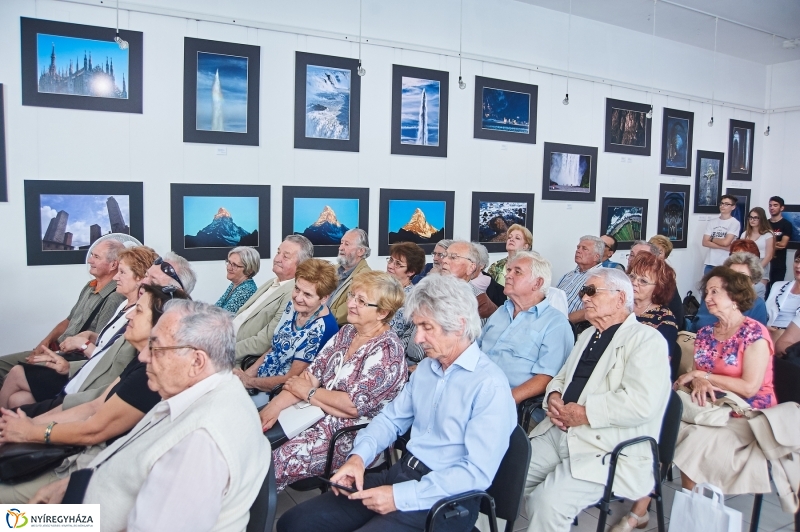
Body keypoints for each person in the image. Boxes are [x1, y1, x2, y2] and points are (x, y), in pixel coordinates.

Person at [276, 274, 517, 532]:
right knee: (295, 523)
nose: (417, 339)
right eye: (417, 327)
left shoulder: (489, 386)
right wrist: (358, 457)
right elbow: (390, 420)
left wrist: (399, 497)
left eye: (427, 327)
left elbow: (476, 473)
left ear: (459, 326)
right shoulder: (427, 369)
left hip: (448, 499)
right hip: (403, 473)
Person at [29, 301, 271, 532]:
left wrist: (57, 519)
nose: (144, 356)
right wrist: (68, 487)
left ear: (196, 361)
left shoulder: (199, 444)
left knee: (10, 521)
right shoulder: (210, 387)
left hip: (81, 521)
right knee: (12, 521)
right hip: (80, 505)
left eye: (155, 347)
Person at [0, 283, 190, 503]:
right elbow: (95, 405)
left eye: (138, 310)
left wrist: (30, 433)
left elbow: (94, 431)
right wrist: (26, 426)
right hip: (82, 456)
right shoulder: (142, 362)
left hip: (90, 471)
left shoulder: (150, 376)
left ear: (161, 325)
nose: (128, 316)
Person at [524, 268, 670, 532]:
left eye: (592, 291)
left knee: (546, 504)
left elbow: (641, 403)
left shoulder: (647, 340)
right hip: (559, 433)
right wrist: (555, 396)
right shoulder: (588, 335)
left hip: (605, 446)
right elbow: (561, 378)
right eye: (583, 291)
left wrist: (585, 413)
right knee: (502, 480)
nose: (584, 298)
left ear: (619, 298)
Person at [259, 271, 407, 491]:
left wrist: (309, 394)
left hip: (350, 434)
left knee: (269, 464)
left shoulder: (387, 350)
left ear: (382, 312)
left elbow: (352, 406)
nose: (351, 304)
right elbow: (310, 376)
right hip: (310, 414)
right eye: (352, 296)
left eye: (362, 301)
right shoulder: (347, 332)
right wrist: (274, 407)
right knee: (250, 435)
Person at [0, 246, 154, 412]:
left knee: (16, 372)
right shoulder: (124, 304)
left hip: (91, 378)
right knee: (18, 399)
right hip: (82, 368)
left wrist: (82, 345)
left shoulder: (134, 312)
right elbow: (108, 344)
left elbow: (111, 363)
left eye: (122, 272)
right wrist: (89, 337)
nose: (116, 276)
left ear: (140, 278)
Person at [671, 267, 775, 498]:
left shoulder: (754, 334)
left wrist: (703, 377)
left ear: (735, 296)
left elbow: (750, 387)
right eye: (706, 292)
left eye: (714, 292)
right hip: (710, 406)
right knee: (667, 426)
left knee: (694, 441)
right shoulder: (706, 333)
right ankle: (691, 505)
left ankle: (695, 509)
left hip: (747, 412)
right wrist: (699, 381)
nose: (707, 298)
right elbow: (697, 373)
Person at [0, 240, 127, 383]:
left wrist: (55, 356)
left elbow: (100, 346)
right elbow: (68, 321)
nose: (90, 260)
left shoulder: (113, 298)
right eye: (91, 255)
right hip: (56, 349)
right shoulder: (89, 286)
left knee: (12, 376)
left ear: (113, 265)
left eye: (96, 257)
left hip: (70, 357)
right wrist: (44, 343)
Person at [233, 259, 339, 407]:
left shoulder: (322, 328)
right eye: (297, 289)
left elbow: (291, 378)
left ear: (324, 298)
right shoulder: (292, 306)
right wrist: (248, 374)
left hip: (279, 395)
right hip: (259, 382)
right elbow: (275, 347)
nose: (298, 297)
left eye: (307, 295)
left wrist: (250, 382)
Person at [478, 251, 573, 412]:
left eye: (517, 272)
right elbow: (475, 350)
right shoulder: (501, 312)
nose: (508, 275)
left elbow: (546, 378)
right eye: (508, 270)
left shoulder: (555, 323)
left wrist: (503, 400)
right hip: (475, 389)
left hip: (511, 402)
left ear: (537, 283)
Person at [234, 235, 314, 362]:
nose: (277, 259)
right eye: (278, 252)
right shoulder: (272, 282)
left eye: (285, 256)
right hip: (224, 338)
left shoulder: (295, 294)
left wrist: (224, 351)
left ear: (302, 265)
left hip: (235, 355)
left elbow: (265, 341)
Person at [689, 252, 768, 331]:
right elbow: (697, 325)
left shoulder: (757, 304)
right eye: (731, 275)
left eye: (742, 276)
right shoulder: (711, 296)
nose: (734, 279)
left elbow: (758, 335)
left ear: (753, 282)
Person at [385, 242, 426, 365]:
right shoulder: (380, 289)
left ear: (411, 272)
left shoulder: (414, 298)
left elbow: (407, 336)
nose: (391, 266)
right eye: (391, 260)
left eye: (398, 264)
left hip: (394, 355)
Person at [627, 252, 679, 346]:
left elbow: (661, 357)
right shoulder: (619, 306)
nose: (634, 282)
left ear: (658, 288)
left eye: (643, 281)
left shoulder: (665, 319)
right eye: (632, 277)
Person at [440, 241, 496, 320]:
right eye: (444, 255)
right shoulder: (431, 289)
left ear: (471, 268)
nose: (444, 260)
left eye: (453, 257)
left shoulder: (480, 302)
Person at [555, 236, 604, 324]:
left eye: (584, 249)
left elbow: (593, 308)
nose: (578, 251)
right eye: (578, 247)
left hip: (573, 326)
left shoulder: (601, 278)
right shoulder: (568, 275)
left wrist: (563, 322)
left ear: (596, 257)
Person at [329, 229, 372, 326]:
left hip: (336, 329)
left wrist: (318, 314)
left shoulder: (365, 277)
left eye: (346, 244)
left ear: (361, 251)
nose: (341, 248)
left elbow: (345, 313)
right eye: (341, 243)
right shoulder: (332, 269)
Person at [702, 194, 740, 275]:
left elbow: (726, 242)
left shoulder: (734, 223)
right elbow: (705, 242)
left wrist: (712, 239)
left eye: (726, 204)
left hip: (725, 263)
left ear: (733, 207)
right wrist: (724, 247)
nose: (723, 206)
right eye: (722, 203)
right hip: (710, 262)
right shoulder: (712, 222)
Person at [766, 249, 800, 337]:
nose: (798, 266)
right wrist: (765, 327)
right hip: (770, 332)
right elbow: (766, 314)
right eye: (797, 261)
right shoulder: (777, 286)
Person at [215, 246, 259, 313]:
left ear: (249, 270)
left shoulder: (246, 290)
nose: (229, 268)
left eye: (235, 265)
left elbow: (224, 317)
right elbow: (216, 308)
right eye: (229, 262)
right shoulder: (235, 283)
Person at [741, 207, 774, 287]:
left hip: (761, 264)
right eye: (751, 217)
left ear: (761, 219)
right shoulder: (745, 234)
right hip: (746, 264)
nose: (752, 220)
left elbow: (769, 256)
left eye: (755, 218)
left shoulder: (768, 234)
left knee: (758, 291)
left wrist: (756, 269)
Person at [768, 196, 794, 292]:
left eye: (775, 205)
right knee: (764, 292)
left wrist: (767, 245)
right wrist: (775, 244)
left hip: (778, 264)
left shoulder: (786, 224)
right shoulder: (765, 224)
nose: (772, 208)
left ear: (781, 208)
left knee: (776, 291)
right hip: (765, 263)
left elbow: (783, 244)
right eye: (770, 205)